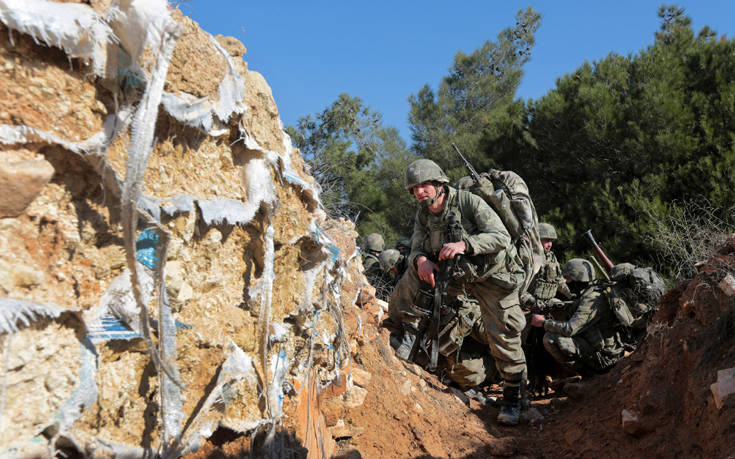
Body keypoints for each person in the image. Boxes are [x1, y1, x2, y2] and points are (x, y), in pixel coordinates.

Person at [395, 158, 528, 425]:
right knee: (433, 306)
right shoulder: (424, 214)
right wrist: (421, 260)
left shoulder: (468, 202)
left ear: (439, 184)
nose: (420, 191)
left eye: (425, 185)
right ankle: (405, 335)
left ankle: (514, 395)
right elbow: (416, 247)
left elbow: (501, 237)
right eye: (415, 188)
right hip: (458, 277)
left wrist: (464, 245)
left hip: (495, 277)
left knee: (503, 332)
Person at [529, 258, 626, 376]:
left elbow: (570, 329)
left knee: (552, 339)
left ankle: (589, 374)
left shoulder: (592, 299)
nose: (566, 282)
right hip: (601, 348)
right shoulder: (592, 290)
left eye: (568, 279)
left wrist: (543, 323)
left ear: (577, 279)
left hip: (606, 357)